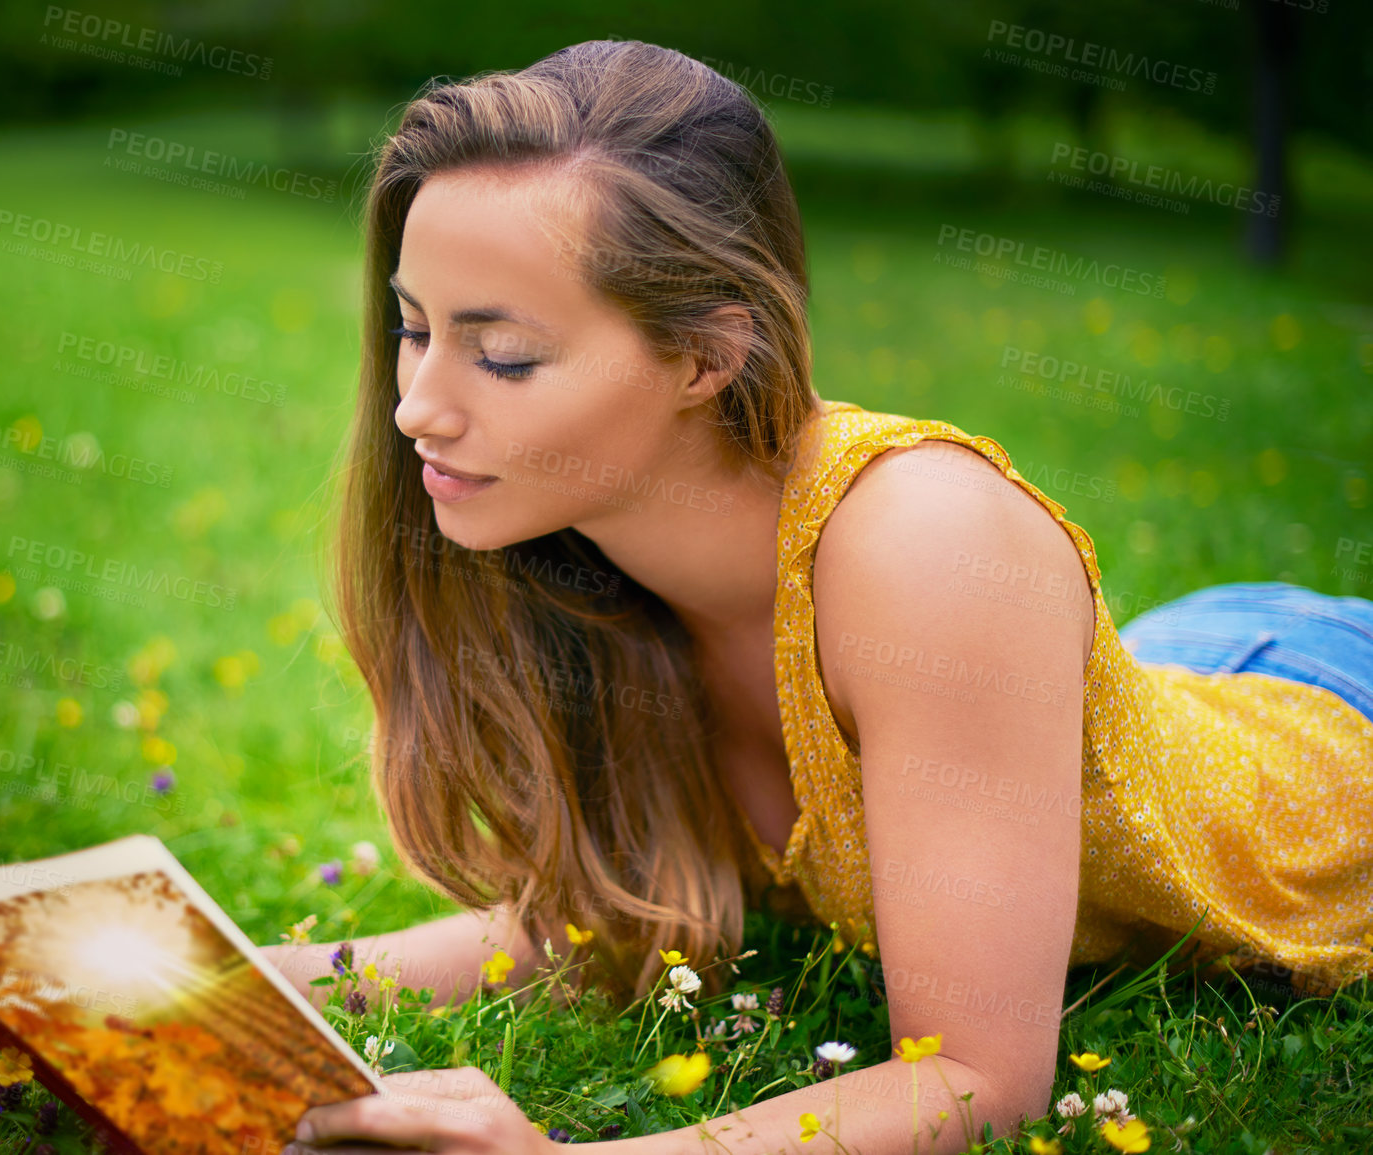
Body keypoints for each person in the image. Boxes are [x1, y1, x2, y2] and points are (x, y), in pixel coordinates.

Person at [256, 38, 1373, 1155]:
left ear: (705, 356)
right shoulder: (576, 552)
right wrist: (255, 985)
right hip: (1193, 666)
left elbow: (977, 1079)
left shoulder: (931, 546)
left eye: (501, 357)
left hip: (1331, 728)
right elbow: (609, 924)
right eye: (414, 330)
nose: (417, 410)